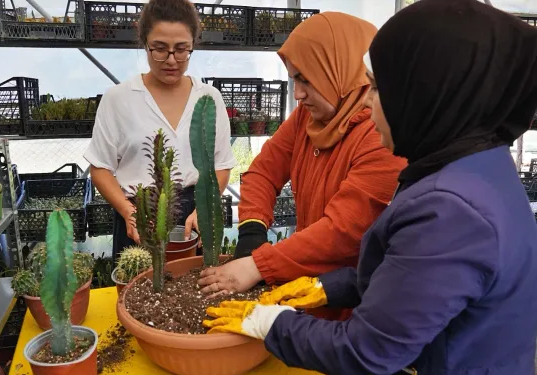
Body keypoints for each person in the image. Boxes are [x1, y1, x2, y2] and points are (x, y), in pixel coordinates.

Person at [202, 1, 537, 374]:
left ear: (424, 94)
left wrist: (267, 323)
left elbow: (366, 351)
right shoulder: (477, 164)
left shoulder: (451, 211)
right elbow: (409, 276)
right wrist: (327, 286)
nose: (367, 100)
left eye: (377, 88)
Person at [198, 12, 407, 321]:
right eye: (294, 78)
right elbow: (263, 172)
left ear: (340, 70)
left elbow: (342, 232)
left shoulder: (381, 135)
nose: (297, 93)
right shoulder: (307, 119)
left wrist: (259, 265)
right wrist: (252, 232)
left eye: (306, 79)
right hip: (307, 290)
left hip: (355, 307)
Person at [84, 0, 236, 267]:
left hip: (193, 213)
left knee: (192, 296)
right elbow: (100, 167)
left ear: (192, 45)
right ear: (145, 43)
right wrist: (131, 214)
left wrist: (203, 209)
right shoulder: (119, 98)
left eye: (181, 50)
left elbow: (221, 166)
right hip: (139, 214)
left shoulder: (208, 99)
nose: (171, 60)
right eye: (160, 49)